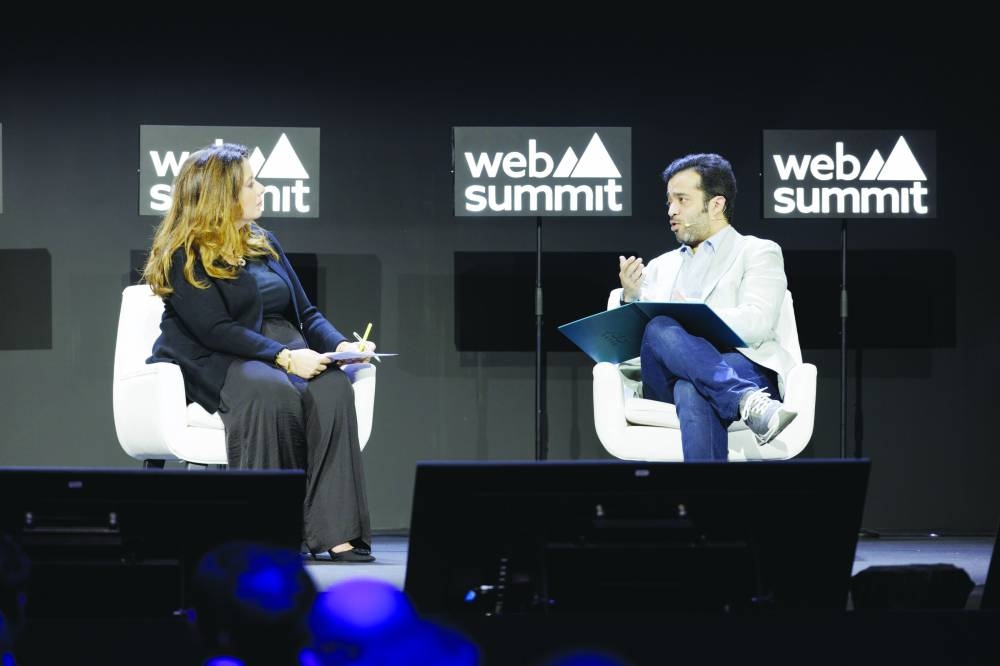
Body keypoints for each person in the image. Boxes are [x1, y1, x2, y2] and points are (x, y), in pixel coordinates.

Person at [143, 142, 374, 562]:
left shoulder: (265, 242)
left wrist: (342, 346)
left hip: (280, 349)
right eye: (251, 183)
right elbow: (215, 329)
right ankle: (269, 532)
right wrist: (284, 358)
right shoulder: (184, 253)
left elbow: (306, 313)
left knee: (334, 388)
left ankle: (336, 531)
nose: (262, 188)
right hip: (217, 356)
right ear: (221, 195)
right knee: (271, 393)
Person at [616, 153, 798, 461]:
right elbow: (645, 347)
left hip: (742, 365)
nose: (671, 210)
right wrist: (631, 299)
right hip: (667, 380)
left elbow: (757, 323)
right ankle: (746, 401)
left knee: (691, 389)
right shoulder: (659, 267)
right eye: (669, 202)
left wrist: (697, 315)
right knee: (659, 327)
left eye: (682, 200)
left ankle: (705, 494)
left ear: (716, 205)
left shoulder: (757, 252)